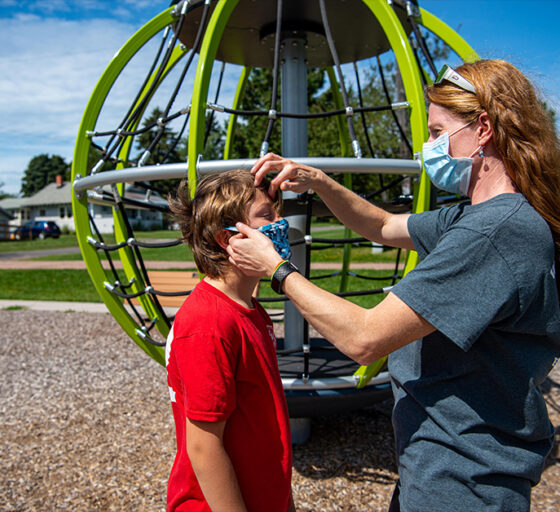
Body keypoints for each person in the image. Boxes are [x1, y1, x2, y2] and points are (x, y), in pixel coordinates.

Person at [226, 59, 560, 511]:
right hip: (442, 464)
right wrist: (320, 182)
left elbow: (365, 339)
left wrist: (279, 270)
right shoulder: (474, 216)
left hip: (463, 480)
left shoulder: (494, 232)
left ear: (483, 129)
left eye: (438, 133)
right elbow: (383, 225)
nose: (428, 148)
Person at [165, 169, 296, 512]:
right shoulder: (208, 323)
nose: (281, 223)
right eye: (268, 216)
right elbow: (204, 447)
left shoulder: (251, 308)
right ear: (229, 239)